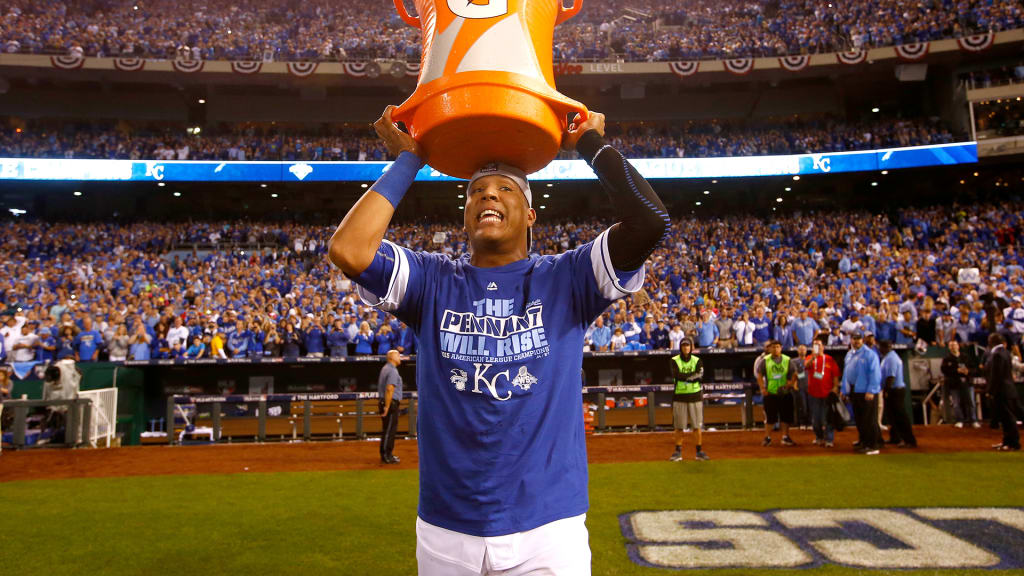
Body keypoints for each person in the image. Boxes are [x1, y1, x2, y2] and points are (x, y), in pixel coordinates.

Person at [329, 106, 667, 574]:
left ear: (530, 215)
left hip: (549, 530)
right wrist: (409, 159)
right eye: (476, 192)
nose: (489, 194)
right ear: (465, 215)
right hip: (447, 530)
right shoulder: (430, 279)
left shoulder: (568, 277)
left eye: (505, 189)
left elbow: (650, 222)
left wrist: (588, 143)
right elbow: (348, 250)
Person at [668, 338, 710, 462]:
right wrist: (691, 377)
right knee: (679, 426)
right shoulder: (674, 360)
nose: (686, 348)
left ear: (691, 347)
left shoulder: (697, 360)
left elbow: (700, 376)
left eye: (688, 345)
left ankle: (699, 451)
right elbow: (676, 375)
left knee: (697, 426)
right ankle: (678, 452)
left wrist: (685, 377)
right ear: (680, 347)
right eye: (684, 345)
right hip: (680, 396)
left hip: (695, 396)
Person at [842, 332, 882, 455]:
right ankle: (864, 441)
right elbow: (846, 373)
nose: (856, 341)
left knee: (869, 419)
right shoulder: (849, 354)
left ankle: (873, 445)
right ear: (851, 340)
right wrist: (844, 390)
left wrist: (871, 390)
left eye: (858, 339)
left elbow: (875, 373)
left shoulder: (870, 354)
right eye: (854, 339)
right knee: (860, 418)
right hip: (855, 390)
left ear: (862, 340)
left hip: (866, 391)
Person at [756, 340, 798, 446]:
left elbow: (794, 373)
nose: (775, 349)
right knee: (770, 418)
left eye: (778, 347)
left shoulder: (787, 360)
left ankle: (785, 437)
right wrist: (762, 388)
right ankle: (767, 437)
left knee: (785, 417)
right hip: (771, 393)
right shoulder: (765, 360)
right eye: (773, 347)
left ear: (781, 348)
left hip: (785, 393)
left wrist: (790, 384)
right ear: (770, 349)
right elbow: (759, 375)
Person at [984, 333, 1020, 451]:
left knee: (1008, 418)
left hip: (1002, 390)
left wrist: (990, 391)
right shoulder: (1004, 352)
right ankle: (1007, 442)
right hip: (1007, 389)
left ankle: (1013, 444)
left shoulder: (997, 354)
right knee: (1006, 418)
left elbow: (996, 375)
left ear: (991, 341)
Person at [879, 340, 917, 448]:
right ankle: (895, 437)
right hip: (894, 389)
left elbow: (891, 377)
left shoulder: (891, 358)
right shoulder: (888, 356)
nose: (880, 349)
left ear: (885, 347)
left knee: (900, 416)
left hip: (895, 390)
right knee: (893, 416)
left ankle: (909, 440)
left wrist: (886, 391)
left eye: (881, 347)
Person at [806, 336, 840, 447]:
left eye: (819, 345)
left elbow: (835, 375)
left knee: (828, 418)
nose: (817, 347)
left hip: (827, 393)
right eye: (815, 345)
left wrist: (835, 387)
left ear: (823, 347)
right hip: (813, 393)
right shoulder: (810, 357)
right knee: (816, 419)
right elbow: (806, 366)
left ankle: (829, 439)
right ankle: (819, 437)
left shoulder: (829, 359)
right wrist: (813, 358)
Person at [941, 340, 980, 428]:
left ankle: (973, 420)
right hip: (954, 384)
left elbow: (974, 368)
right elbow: (944, 370)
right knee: (956, 403)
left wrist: (968, 371)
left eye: (954, 345)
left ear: (958, 346)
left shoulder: (965, 357)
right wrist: (956, 371)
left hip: (967, 382)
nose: (953, 347)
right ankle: (959, 420)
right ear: (949, 347)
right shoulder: (947, 359)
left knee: (971, 402)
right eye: (951, 345)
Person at [377, 349, 404, 464]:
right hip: (390, 403)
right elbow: (389, 388)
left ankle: (387, 454)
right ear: (392, 357)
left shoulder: (386, 368)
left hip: (386, 402)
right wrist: (387, 406)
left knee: (387, 429)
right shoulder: (392, 370)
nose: (400, 357)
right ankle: (386, 455)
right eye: (398, 355)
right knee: (389, 430)